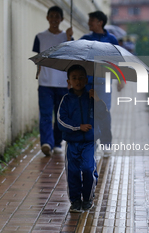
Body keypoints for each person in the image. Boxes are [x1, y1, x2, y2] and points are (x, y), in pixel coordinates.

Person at [57, 64, 108, 212]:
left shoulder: (91, 97)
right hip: (72, 143)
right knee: (72, 172)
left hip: (89, 142)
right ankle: (75, 200)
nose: (78, 81)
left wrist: (97, 100)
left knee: (87, 168)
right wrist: (78, 126)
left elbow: (103, 115)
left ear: (86, 80)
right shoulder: (66, 100)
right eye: (74, 78)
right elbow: (61, 121)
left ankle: (87, 198)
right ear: (68, 82)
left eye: (81, 78)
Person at [32, 6, 73, 156]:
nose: (54, 19)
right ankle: (46, 143)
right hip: (45, 83)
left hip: (63, 83)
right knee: (45, 114)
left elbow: (72, 56)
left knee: (60, 116)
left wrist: (69, 38)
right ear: (47, 17)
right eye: (52, 16)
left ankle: (57, 143)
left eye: (57, 16)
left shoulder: (67, 37)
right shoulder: (40, 37)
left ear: (62, 19)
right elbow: (37, 58)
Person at [80, 11, 118, 146]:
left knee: (104, 112)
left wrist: (120, 80)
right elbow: (76, 57)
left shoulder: (112, 40)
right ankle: (93, 142)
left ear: (100, 22)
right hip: (88, 83)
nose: (89, 23)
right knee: (89, 113)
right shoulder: (85, 39)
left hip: (104, 82)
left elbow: (117, 61)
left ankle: (106, 143)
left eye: (91, 20)